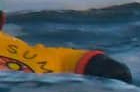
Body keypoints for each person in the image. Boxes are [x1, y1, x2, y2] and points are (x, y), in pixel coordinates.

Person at [0, 10, 131, 81]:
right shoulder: (49, 57)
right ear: (3, 20)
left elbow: (113, 70)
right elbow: (115, 72)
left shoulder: (54, 57)